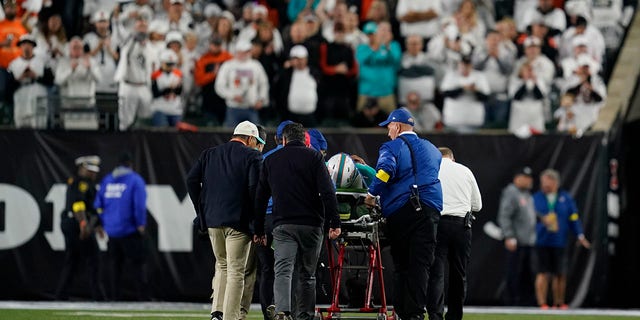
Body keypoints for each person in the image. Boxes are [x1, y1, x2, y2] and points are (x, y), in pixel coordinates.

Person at [254, 122, 341, 320]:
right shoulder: (314, 157)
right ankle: (305, 315)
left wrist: (258, 230)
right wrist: (334, 222)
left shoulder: (272, 160)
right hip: (311, 225)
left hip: (283, 225)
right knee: (307, 274)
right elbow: (328, 193)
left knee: (283, 270)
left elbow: (259, 198)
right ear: (304, 139)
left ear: (283, 140)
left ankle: (283, 312)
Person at [364, 108, 443, 320]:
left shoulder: (393, 146)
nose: (388, 132)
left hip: (404, 208)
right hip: (432, 209)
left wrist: (371, 194)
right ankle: (416, 314)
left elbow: (385, 170)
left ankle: (400, 312)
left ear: (397, 126)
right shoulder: (433, 149)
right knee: (421, 265)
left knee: (402, 265)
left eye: (389, 127)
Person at [186, 121, 264, 320]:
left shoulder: (210, 153)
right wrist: (257, 225)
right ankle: (230, 317)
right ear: (251, 139)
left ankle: (217, 314)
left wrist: (201, 211)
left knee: (222, 265)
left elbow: (191, 181)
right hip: (238, 222)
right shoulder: (253, 155)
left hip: (213, 220)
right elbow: (256, 191)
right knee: (236, 270)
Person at [426, 147, 482, 320]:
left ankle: (435, 315)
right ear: (453, 158)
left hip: (437, 224)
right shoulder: (465, 170)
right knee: (459, 273)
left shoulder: (430, 169)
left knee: (436, 273)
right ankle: (455, 315)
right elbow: (477, 205)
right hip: (461, 226)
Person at [94, 152, 149, 301]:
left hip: (111, 231)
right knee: (137, 266)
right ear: (130, 164)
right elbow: (139, 206)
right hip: (130, 230)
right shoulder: (135, 180)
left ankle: (114, 298)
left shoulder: (107, 180)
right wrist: (140, 224)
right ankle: (142, 298)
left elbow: (98, 205)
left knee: (114, 267)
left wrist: (103, 222)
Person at [533, 169, 591, 309]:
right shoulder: (536, 198)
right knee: (543, 273)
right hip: (542, 240)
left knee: (560, 273)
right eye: (543, 183)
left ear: (555, 183)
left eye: (548, 183)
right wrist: (541, 220)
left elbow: (574, 217)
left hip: (560, 241)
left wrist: (580, 235)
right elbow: (529, 217)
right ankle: (542, 303)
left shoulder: (566, 198)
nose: (545, 186)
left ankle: (558, 302)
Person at [55, 155, 104, 301]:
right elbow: (79, 205)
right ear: (82, 168)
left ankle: (60, 296)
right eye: (90, 170)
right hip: (77, 225)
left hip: (73, 224)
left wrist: (97, 225)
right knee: (94, 260)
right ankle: (99, 297)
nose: (93, 173)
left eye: (94, 171)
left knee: (73, 261)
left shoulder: (86, 183)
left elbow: (92, 208)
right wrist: (84, 225)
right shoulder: (81, 183)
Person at [497, 166, 537, 306]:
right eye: (526, 178)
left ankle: (525, 301)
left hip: (528, 241)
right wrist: (509, 236)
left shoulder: (526, 194)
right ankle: (511, 301)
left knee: (526, 273)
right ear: (517, 178)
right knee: (514, 272)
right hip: (516, 241)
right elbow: (504, 216)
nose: (529, 181)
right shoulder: (511, 192)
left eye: (530, 178)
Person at [214, 40, 269, 128]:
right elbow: (219, 86)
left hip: (251, 107)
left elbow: (264, 84)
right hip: (233, 107)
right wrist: (232, 96)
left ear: (249, 52)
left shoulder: (256, 65)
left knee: (255, 136)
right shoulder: (228, 65)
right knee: (231, 135)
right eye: (240, 52)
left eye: (245, 52)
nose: (242, 55)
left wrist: (261, 100)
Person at [114, 13, 155, 130]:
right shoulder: (127, 42)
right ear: (134, 28)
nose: (142, 29)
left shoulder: (150, 46)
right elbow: (117, 27)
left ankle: (143, 147)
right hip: (128, 85)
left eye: (144, 26)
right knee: (126, 122)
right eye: (139, 26)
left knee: (145, 121)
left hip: (143, 86)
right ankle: (124, 146)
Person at [7, 34, 50, 128]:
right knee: (21, 124)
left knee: (39, 124)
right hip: (21, 93)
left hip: (38, 91)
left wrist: (36, 76)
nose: (26, 46)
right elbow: (8, 87)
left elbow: (50, 80)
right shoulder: (14, 64)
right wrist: (20, 78)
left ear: (33, 46)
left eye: (29, 44)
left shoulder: (42, 62)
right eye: (23, 44)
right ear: (20, 46)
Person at [194, 35, 234, 126]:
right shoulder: (203, 59)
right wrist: (213, 75)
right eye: (214, 44)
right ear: (210, 45)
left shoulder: (228, 57)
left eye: (218, 45)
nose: (216, 47)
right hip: (209, 100)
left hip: (225, 100)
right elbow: (199, 80)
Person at [150, 49, 183, 127]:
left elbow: (179, 92)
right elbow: (155, 94)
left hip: (175, 108)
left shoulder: (178, 74)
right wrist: (169, 89)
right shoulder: (155, 75)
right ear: (162, 63)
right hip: (160, 108)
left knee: (177, 134)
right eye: (168, 64)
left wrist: (175, 88)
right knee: (163, 131)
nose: (170, 66)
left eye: (172, 64)